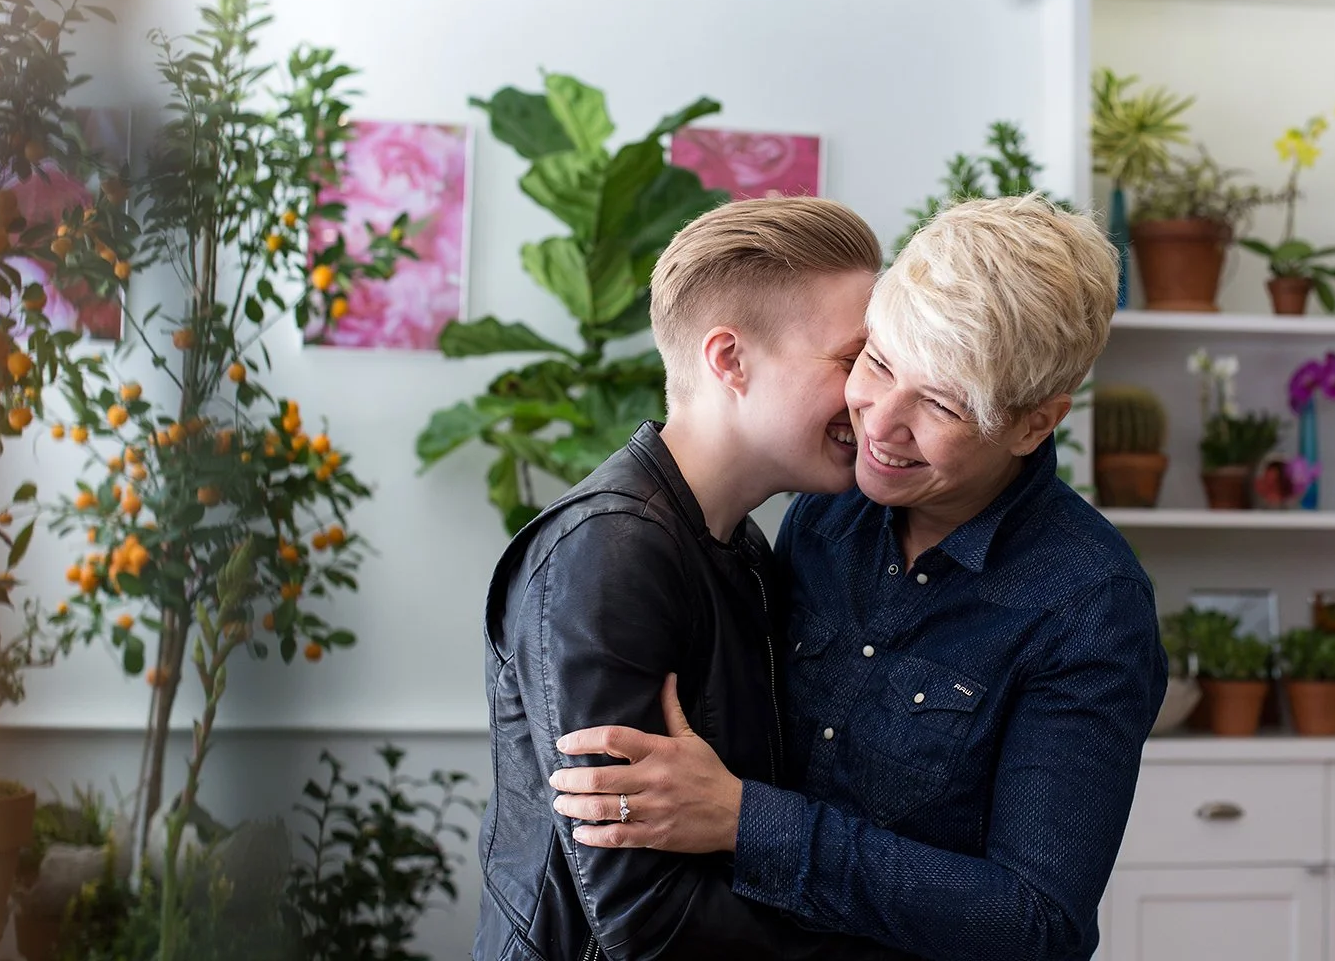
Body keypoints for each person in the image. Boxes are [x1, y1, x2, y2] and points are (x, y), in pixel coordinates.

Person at [551, 194, 1168, 961]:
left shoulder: (1089, 607)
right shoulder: (825, 514)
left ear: (1034, 423)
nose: (877, 422)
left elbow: (1038, 924)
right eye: (875, 361)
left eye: (939, 403)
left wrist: (750, 823)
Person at [473, 197, 913, 961]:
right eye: (854, 360)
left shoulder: (739, 544)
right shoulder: (609, 554)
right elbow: (643, 917)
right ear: (729, 360)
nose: (869, 396)